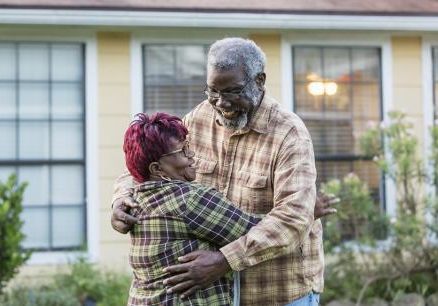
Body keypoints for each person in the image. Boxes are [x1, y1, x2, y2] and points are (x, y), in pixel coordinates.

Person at [112, 37, 339, 305]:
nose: (221, 103)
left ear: (260, 81)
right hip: (218, 295)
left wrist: (224, 260)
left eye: (232, 91)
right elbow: (150, 161)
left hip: (278, 292)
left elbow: (293, 219)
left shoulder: (289, 134)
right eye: (212, 91)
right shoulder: (199, 118)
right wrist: (122, 199)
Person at [122, 112, 264, 305]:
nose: (191, 155)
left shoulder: (134, 198)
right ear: (157, 169)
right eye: (181, 152)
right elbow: (259, 232)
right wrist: (304, 212)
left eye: (187, 146)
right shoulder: (189, 199)